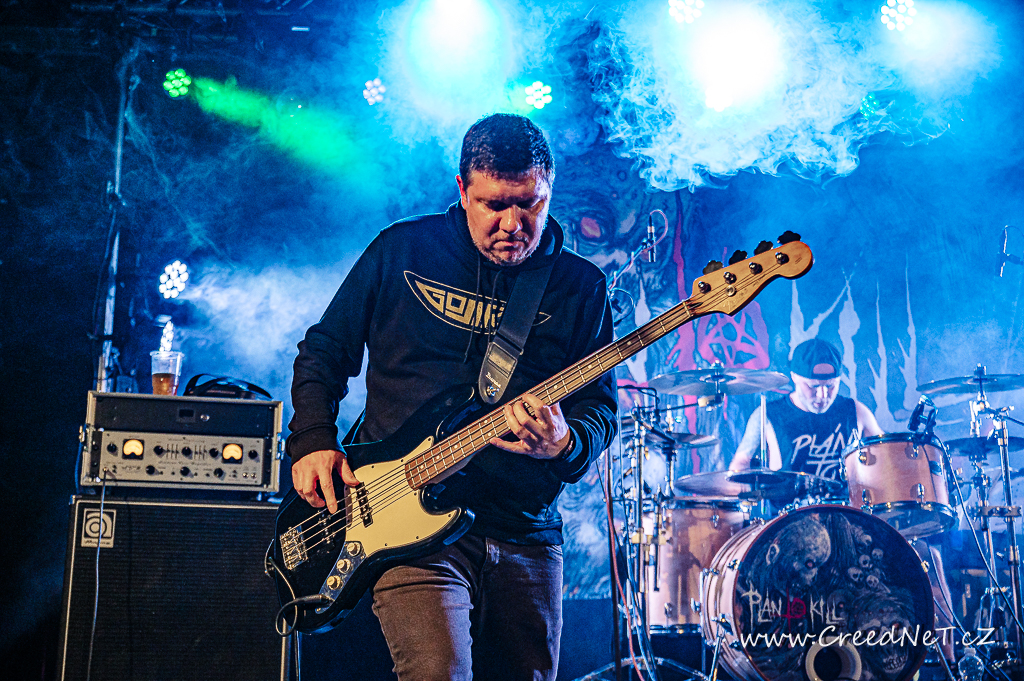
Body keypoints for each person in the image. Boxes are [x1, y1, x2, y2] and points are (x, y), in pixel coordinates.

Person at [285, 113, 617, 681]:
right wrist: (313, 440)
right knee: (438, 672)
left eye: (530, 203)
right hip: (403, 517)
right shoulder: (403, 251)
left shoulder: (579, 287)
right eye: (494, 204)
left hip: (524, 530)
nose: (513, 223)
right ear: (463, 190)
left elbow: (601, 410)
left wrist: (566, 442)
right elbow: (325, 349)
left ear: (549, 190)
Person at [729, 338, 883, 479]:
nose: (822, 395)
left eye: (830, 386)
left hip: (846, 501)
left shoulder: (856, 411)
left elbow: (887, 454)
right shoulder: (767, 414)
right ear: (794, 377)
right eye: (813, 386)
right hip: (788, 501)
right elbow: (741, 464)